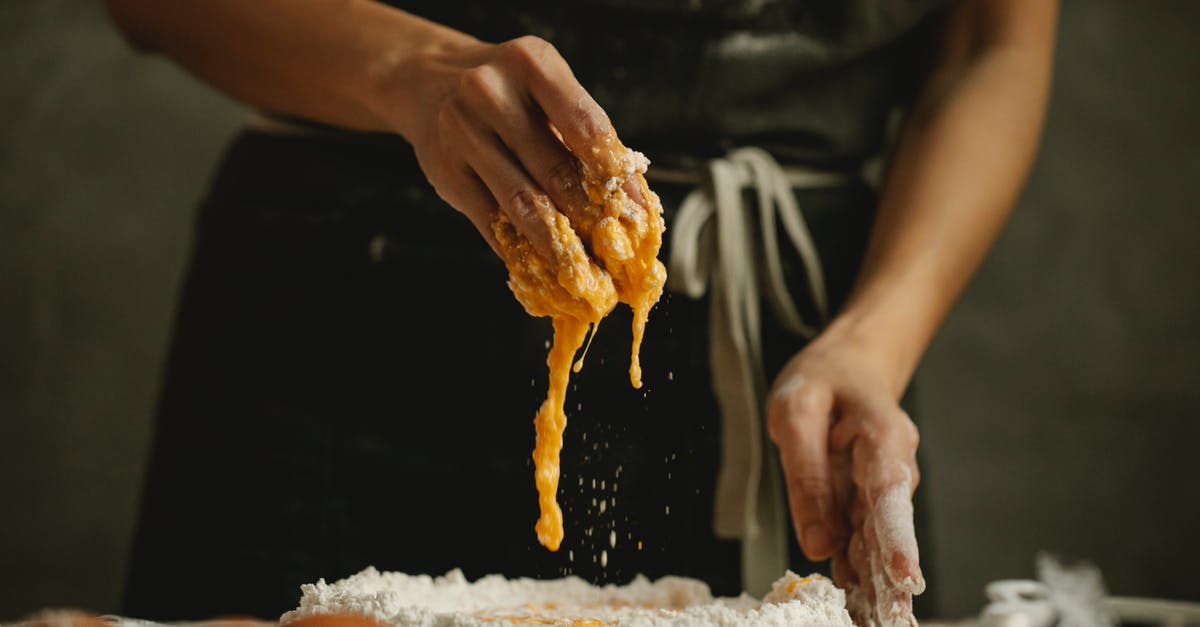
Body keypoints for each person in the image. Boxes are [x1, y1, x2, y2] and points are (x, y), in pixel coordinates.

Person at [100, 0, 1058, 625]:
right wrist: (408, 67)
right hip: (350, 317)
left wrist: (874, 337)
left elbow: (993, 44)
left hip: (797, 331)